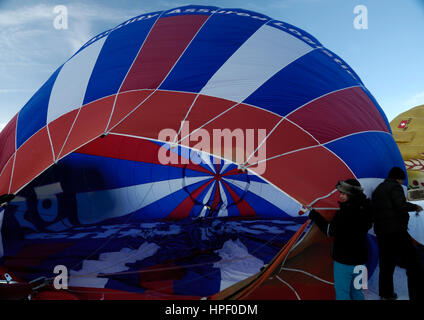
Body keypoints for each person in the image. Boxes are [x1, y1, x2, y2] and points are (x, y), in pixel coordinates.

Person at [305, 179, 373, 300]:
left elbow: (328, 231)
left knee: (342, 294)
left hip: (344, 262)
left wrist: (314, 214)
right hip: (361, 261)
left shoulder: (344, 213)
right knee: (357, 292)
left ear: (351, 193)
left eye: (343, 193)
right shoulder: (367, 209)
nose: (340, 195)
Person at [371, 166, 424, 300]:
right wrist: (415, 207)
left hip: (382, 233)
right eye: (402, 181)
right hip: (397, 232)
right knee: (413, 265)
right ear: (398, 178)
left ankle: (386, 294)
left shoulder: (379, 189)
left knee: (386, 265)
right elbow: (400, 205)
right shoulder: (395, 187)